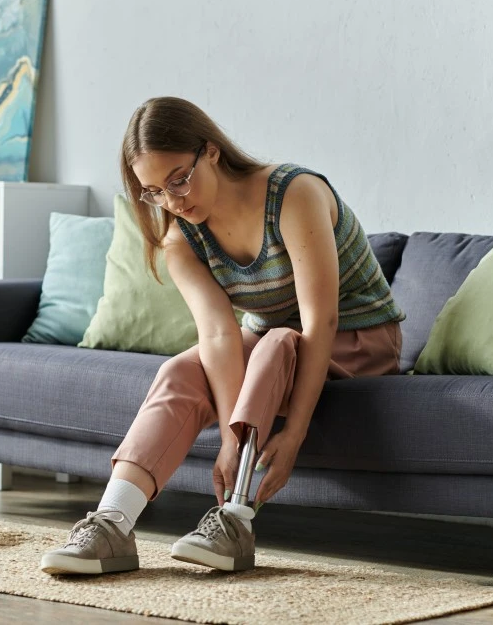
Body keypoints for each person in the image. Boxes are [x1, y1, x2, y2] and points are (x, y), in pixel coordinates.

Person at [40, 97, 405, 575]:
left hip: (359, 342)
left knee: (278, 343)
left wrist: (292, 435)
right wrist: (230, 440)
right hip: (271, 344)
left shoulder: (294, 194)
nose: (173, 201)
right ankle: (112, 524)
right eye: (154, 191)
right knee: (181, 369)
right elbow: (217, 333)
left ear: (210, 151)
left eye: (179, 179)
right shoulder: (181, 237)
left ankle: (235, 520)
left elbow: (321, 323)